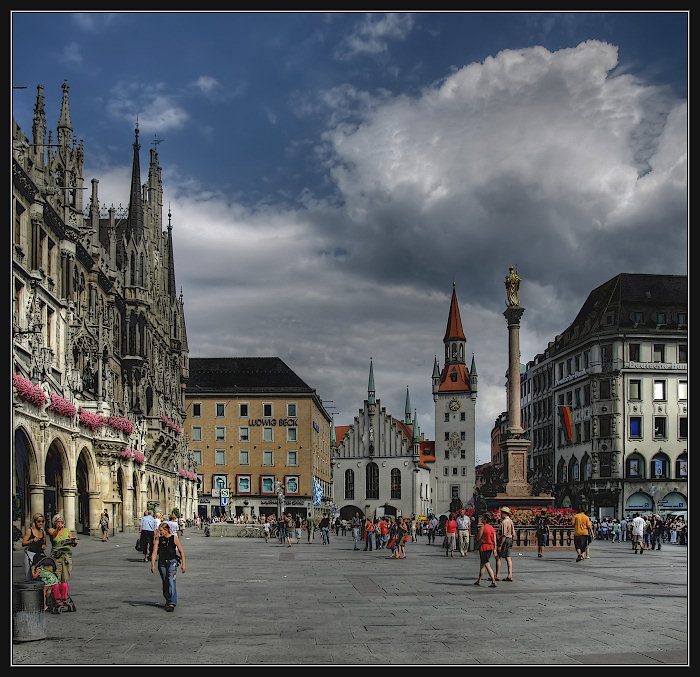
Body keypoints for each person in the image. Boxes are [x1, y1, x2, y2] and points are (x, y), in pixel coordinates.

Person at [151, 521, 186, 612]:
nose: (160, 532)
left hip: (172, 562)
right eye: (159, 530)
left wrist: (183, 565)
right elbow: (154, 552)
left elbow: (181, 551)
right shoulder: (159, 539)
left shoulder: (174, 538)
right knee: (165, 581)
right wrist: (153, 565)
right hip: (162, 563)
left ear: (166, 530)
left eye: (161, 530)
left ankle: (172, 602)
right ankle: (168, 599)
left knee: (171, 580)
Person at [47, 513, 78, 585]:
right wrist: (58, 528)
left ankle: (63, 592)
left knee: (66, 577)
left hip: (67, 555)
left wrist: (74, 542)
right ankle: (57, 593)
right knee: (57, 575)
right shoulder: (51, 530)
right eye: (58, 522)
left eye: (61, 521)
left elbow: (72, 542)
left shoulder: (67, 530)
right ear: (54, 522)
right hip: (56, 555)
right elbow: (54, 536)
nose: (60, 523)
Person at [473, 514, 497, 587]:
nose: (481, 520)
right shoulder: (492, 528)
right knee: (482, 564)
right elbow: (494, 540)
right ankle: (479, 580)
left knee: (487, 564)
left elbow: (478, 538)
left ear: (485, 520)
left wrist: (475, 542)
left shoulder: (483, 528)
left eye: (483, 519)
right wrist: (495, 549)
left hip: (484, 547)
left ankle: (493, 581)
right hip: (490, 547)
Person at [22, 513, 47, 581]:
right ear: (35, 521)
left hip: (39, 555)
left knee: (41, 574)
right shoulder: (29, 531)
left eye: (42, 521)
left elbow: (44, 543)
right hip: (30, 554)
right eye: (39, 521)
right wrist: (32, 540)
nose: (41, 523)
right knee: (29, 575)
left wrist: (44, 546)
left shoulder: (43, 532)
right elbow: (23, 543)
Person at [495, 506, 515, 581]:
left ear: (504, 513)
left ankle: (497, 575)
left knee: (498, 557)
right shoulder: (510, 521)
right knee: (508, 557)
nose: (500, 514)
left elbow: (504, 534)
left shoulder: (504, 522)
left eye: (501, 513)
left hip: (505, 540)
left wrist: (500, 545)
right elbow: (513, 533)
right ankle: (510, 574)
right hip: (510, 539)